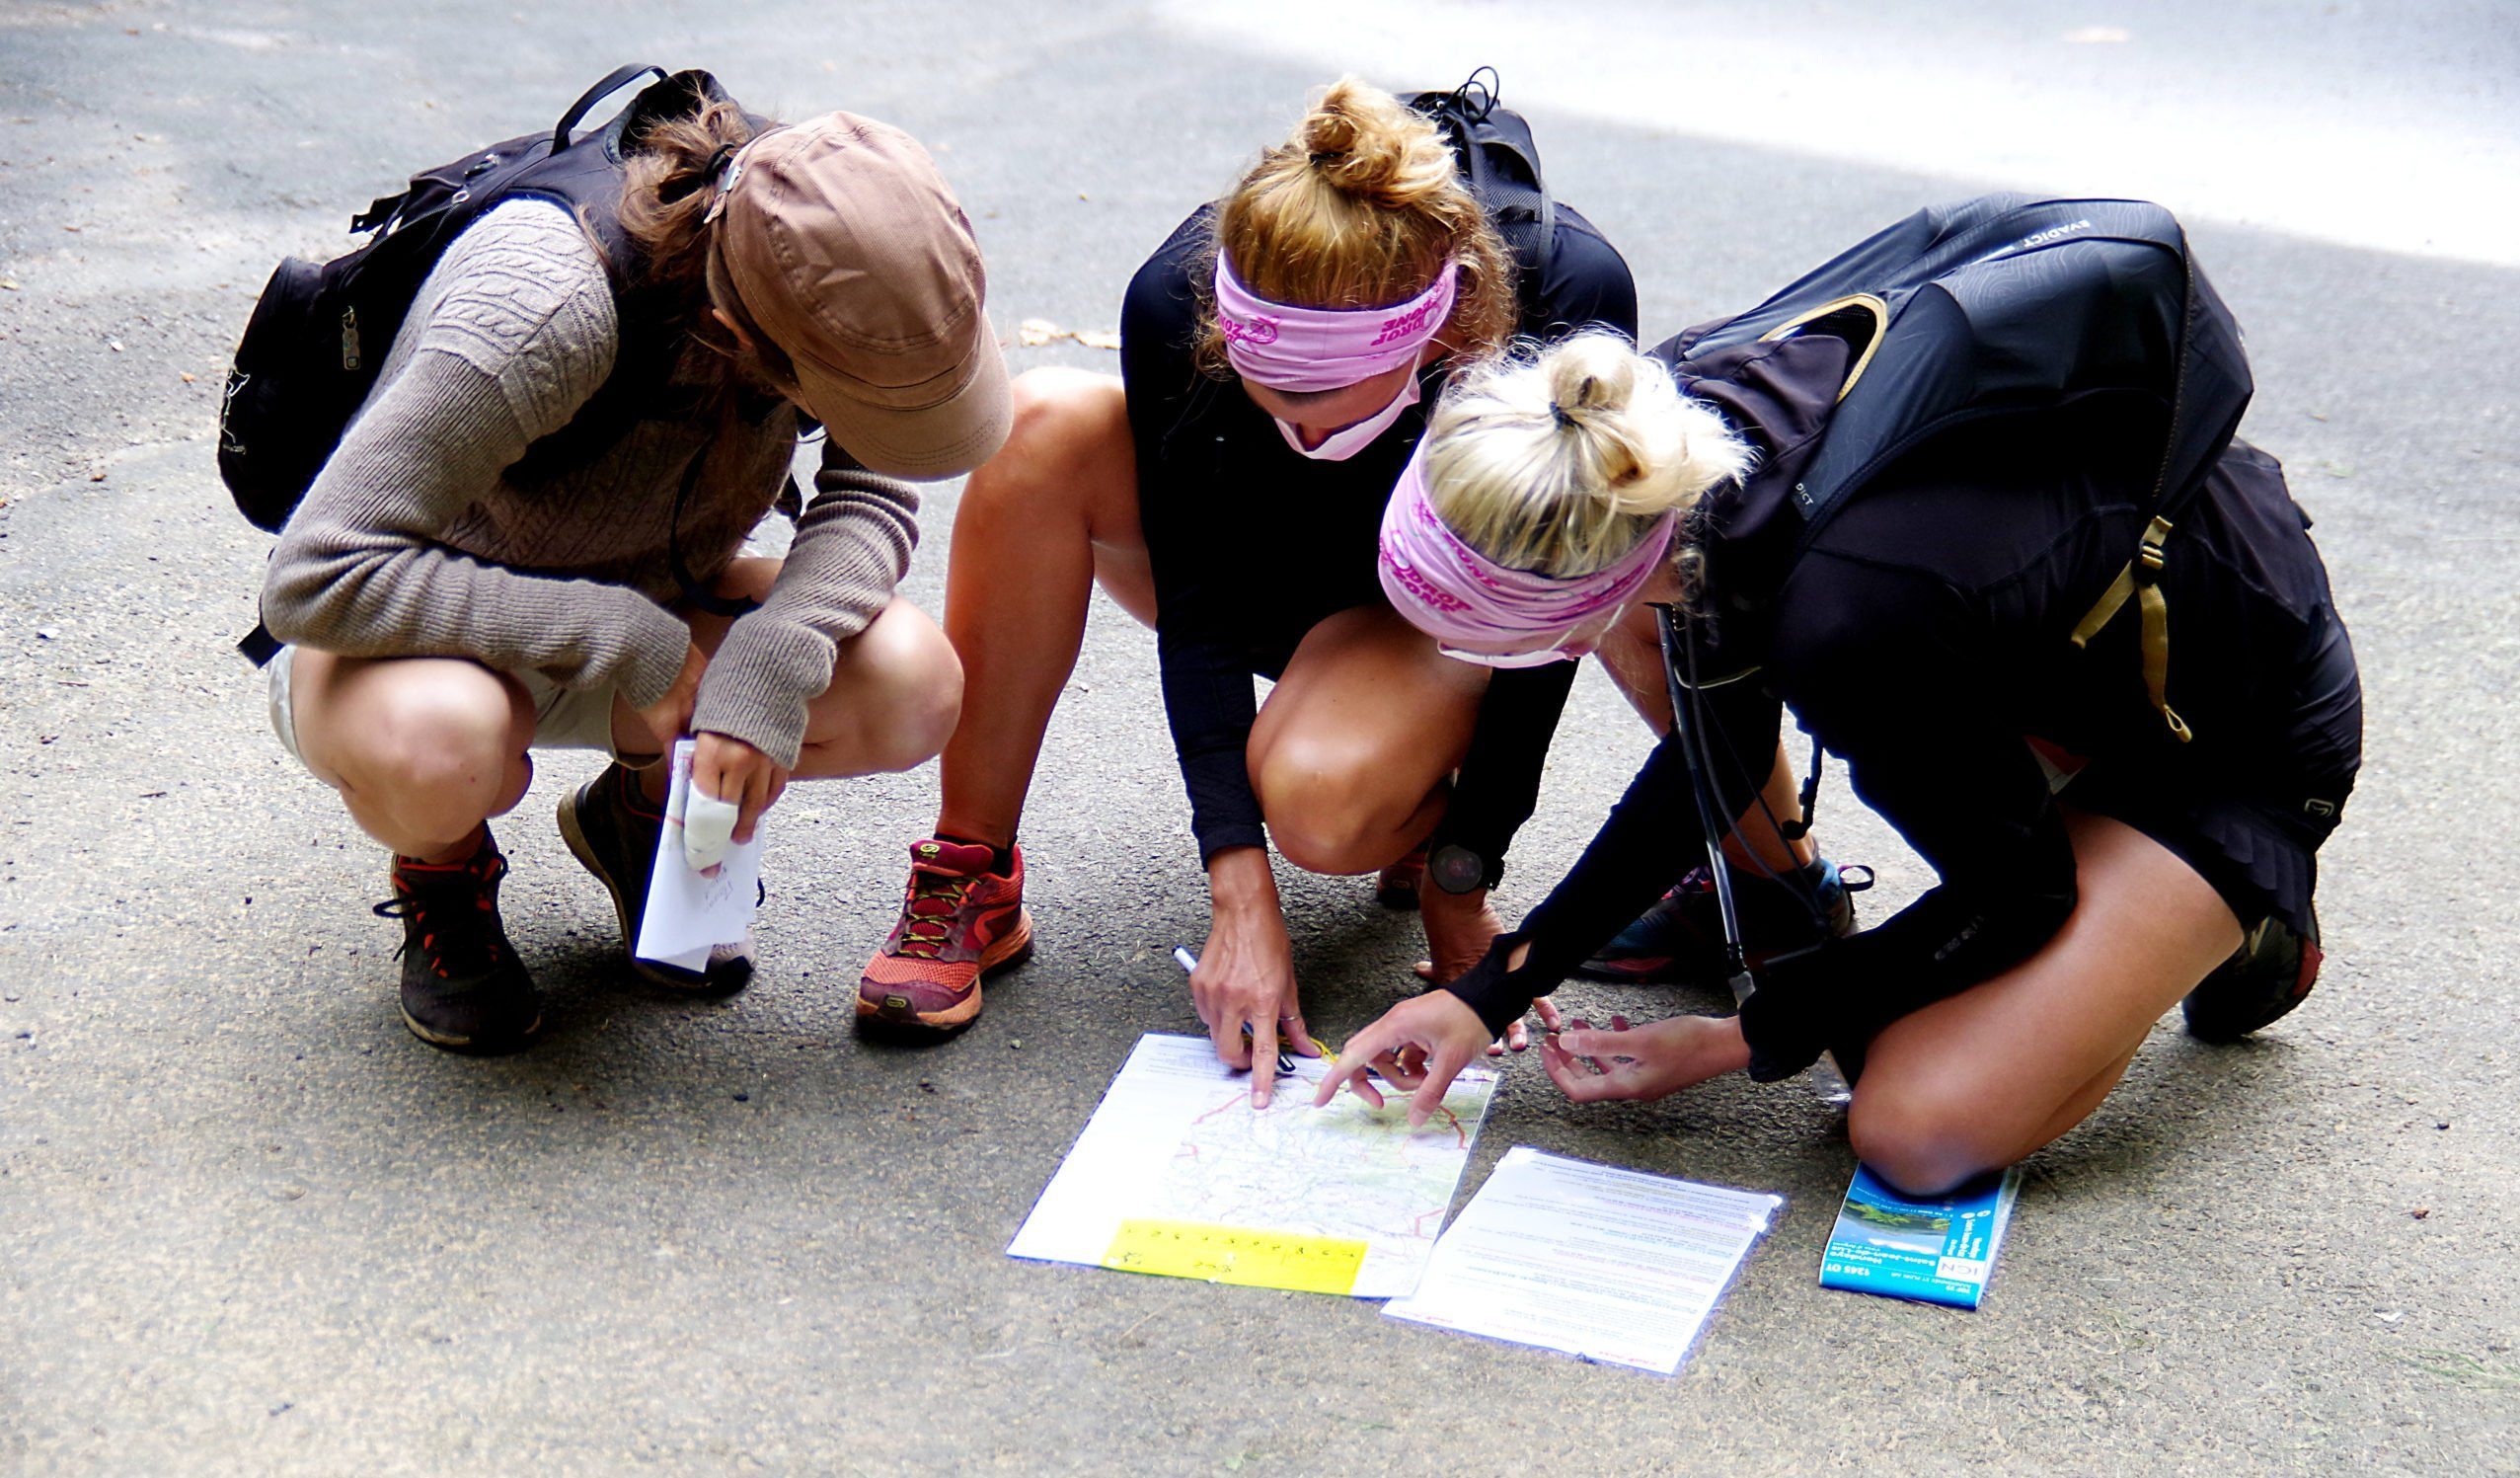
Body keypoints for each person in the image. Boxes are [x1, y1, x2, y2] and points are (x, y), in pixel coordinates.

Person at [1319, 328, 2361, 1195]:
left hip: (2225, 738)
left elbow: (2019, 895)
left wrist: (1744, 1036)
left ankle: (2232, 923)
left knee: (1913, 1126)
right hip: (2040, 644)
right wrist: (1489, 993)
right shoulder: (1645, 442)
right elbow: (1711, 759)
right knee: (1679, 643)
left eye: (1485, 645)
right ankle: (2095, 911)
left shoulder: (1852, 627)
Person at [853, 79, 1638, 1096]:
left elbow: (1551, 619)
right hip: (1261, 568)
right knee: (1039, 428)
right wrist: (1237, 881)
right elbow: (1198, 597)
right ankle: (973, 867)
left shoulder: (1563, 295)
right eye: (1268, 394)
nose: (1299, 430)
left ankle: (1427, 793)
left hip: (1441, 612)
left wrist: (1464, 874)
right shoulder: (1175, 295)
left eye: (1321, 399)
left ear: (1437, 337)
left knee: (1321, 808)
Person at [259, 99, 1010, 1053]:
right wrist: (617, 635)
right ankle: (442, 871)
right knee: (439, 743)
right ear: (740, 339)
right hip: (418, 634)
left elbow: (875, 487)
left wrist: (772, 659)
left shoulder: (846, 236)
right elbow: (312, 577)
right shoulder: (541, 311)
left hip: (657, 602)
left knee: (909, 682)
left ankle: (641, 811)